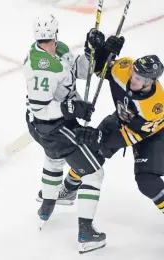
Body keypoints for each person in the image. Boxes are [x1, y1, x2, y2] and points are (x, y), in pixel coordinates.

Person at [22, 14, 116, 253]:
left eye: (48, 39)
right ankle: (86, 234)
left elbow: (80, 72)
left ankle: (47, 206)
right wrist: (70, 107)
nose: (47, 43)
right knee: (94, 173)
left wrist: (92, 52)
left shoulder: (59, 49)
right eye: (43, 40)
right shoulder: (39, 66)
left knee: (54, 159)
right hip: (52, 126)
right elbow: (41, 109)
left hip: (51, 125)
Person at [66, 29, 164, 215]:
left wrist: (98, 136)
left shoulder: (154, 106)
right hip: (122, 118)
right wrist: (99, 49)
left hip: (152, 134)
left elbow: (130, 136)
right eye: (134, 73)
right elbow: (99, 69)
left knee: (147, 181)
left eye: (139, 78)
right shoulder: (125, 69)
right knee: (90, 152)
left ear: (150, 82)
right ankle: (68, 189)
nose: (133, 79)